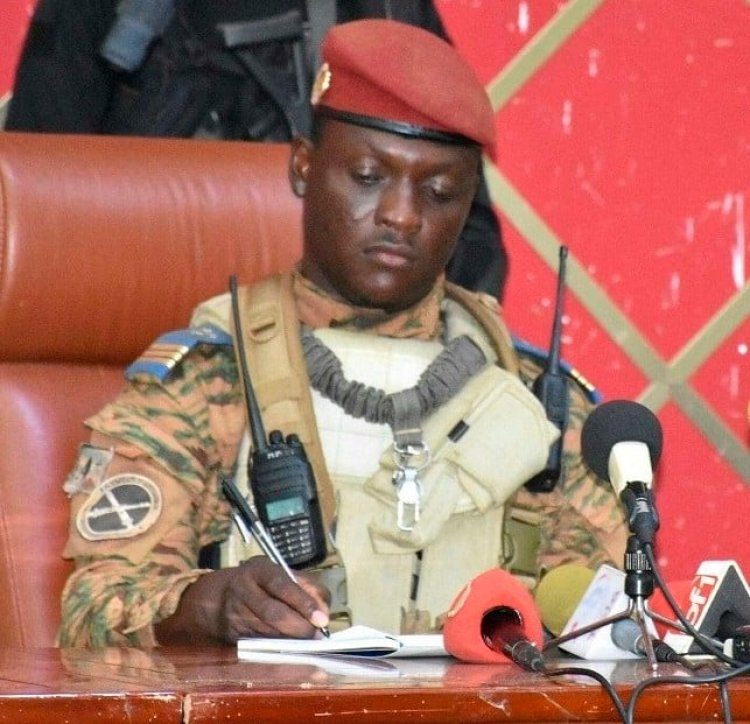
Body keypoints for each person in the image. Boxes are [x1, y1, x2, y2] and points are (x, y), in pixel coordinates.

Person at [58, 19, 628, 648]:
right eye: (367, 177)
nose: (401, 216)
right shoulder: (207, 382)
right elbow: (93, 609)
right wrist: (208, 605)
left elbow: (606, 617)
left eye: (439, 192)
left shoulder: (536, 402)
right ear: (304, 166)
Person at [5, 0, 507, 299]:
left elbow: (467, 240)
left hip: (328, 357)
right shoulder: (105, 12)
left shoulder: (382, 7)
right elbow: (33, 212)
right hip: (134, 348)